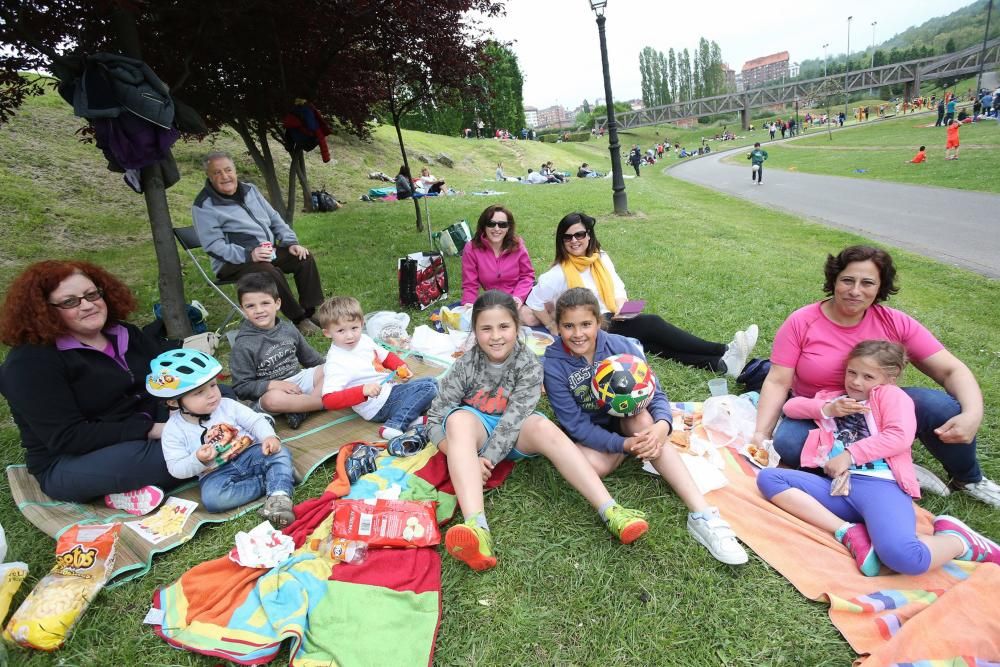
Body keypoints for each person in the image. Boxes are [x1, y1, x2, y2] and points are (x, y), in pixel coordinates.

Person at [750, 245, 1000, 507]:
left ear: (880, 287)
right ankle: (889, 463)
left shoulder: (895, 322)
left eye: (867, 283)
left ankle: (969, 478)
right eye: (847, 280)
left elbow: (952, 370)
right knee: (789, 443)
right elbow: (778, 380)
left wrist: (972, 414)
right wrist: (761, 433)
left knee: (938, 406)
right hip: (822, 414)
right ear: (834, 280)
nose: (855, 291)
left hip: (879, 411)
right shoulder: (802, 321)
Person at [427, 290, 651, 572]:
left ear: (517, 328)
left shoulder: (530, 365)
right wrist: (463, 455)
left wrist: (487, 460)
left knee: (544, 426)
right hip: (476, 431)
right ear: (475, 330)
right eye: (486, 328)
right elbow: (435, 417)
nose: (496, 336)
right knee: (457, 420)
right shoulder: (464, 366)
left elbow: (515, 418)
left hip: (515, 431)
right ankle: (476, 526)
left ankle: (611, 510)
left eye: (504, 327)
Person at [757, 341, 1000, 575]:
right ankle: (847, 531)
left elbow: (899, 437)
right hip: (838, 488)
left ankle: (958, 539)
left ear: (889, 378)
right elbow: (791, 408)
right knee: (769, 479)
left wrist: (849, 455)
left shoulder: (891, 397)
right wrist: (827, 409)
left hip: (880, 484)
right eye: (851, 372)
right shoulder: (836, 397)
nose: (856, 382)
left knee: (905, 558)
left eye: (868, 377)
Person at [543, 288, 748, 565]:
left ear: (598, 322)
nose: (577, 333)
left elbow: (656, 394)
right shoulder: (554, 365)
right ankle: (633, 449)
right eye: (568, 326)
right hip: (592, 435)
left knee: (641, 420)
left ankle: (703, 515)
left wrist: (663, 425)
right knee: (592, 467)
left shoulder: (621, 346)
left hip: (628, 421)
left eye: (585, 324)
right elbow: (576, 425)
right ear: (557, 326)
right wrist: (622, 445)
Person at [0, 260, 178, 514]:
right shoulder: (30, 363)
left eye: (92, 294)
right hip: (70, 459)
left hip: (143, 423)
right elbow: (68, 437)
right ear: (43, 310)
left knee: (216, 399)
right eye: (70, 302)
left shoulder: (123, 332)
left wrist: (182, 405)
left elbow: (163, 382)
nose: (87, 305)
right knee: (169, 456)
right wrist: (153, 429)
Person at [526, 213, 757, 376]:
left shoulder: (601, 258)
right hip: (591, 327)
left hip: (613, 316)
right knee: (652, 323)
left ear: (589, 235)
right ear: (561, 241)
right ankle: (724, 349)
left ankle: (719, 365)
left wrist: (623, 307)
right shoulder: (556, 275)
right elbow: (534, 301)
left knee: (648, 342)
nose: (574, 241)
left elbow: (617, 288)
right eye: (568, 237)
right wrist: (552, 326)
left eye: (579, 235)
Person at [149, 349, 296, 527]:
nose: (212, 394)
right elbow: (176, 468)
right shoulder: (173, 430)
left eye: (212, 385)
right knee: (213, 500)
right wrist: (197, 459)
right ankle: (276, 479)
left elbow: (255, 421)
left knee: (279, 453)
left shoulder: (227, 406)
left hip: (249, 454)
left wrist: (269, 436)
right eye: (199, 392)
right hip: (215, 473)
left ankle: (278, 497)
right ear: (174, 402)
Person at [192, 152, 324, 335]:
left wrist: (291, 242)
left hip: (265, 251)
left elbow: (274, 218)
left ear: (235, 171)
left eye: (228, 170)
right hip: (232, 262)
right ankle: (299, 319)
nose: (224, 176)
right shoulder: (204, 205)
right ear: (209, 176)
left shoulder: (250, 190)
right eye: (217, 173)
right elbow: (213, 245)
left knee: (303, 257)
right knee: (268, 272)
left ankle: (312, 312)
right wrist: (248, 254)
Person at [318, 296, 436, 440]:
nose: (350, 336)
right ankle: (395, 424)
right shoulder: (336, 362)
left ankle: (413, 421)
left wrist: (400, 366)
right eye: (341, 331)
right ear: (327, 333)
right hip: (377, 406)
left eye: (354, 328)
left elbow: (385, 356)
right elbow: (329, 400)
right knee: (428, 389)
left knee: (432, 382)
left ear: (362, 324)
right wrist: (362, 391)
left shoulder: (364, 340)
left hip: (389, 391)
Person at [229, 273, 326, 430]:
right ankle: (322, 403)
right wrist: (273, 385)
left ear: (277, 303)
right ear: (243, 309)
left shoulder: (288, 329)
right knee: (272, 400)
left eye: (265, 303)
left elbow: (312, 359)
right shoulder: (243, 345)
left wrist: (334, 369)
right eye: (250, 306)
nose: (259, 310)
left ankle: (304, 407)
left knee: (330, 369)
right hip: (271, 392)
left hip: (298, 383)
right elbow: (242, 387)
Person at [461, 205, 539, 326]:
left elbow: (527, 276)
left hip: (521, 297)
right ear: (483, 226)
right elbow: (470, 283)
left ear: (508, 227)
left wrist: (518, 298)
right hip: (494, 300)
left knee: (528, 318)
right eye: (491, 224)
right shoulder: (471, 248)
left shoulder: (517, 245)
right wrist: (469, 304)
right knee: (475, 320)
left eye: (502, 224)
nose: (497, 228)